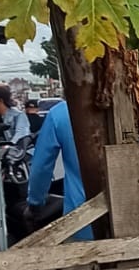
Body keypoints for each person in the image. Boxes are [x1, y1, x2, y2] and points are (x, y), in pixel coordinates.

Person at [24, 101, 92, 241]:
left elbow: (41, 168)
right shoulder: (134, 107)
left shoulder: (60, 113)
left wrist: (35, 204)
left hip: (82, 222)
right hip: (133, 219)